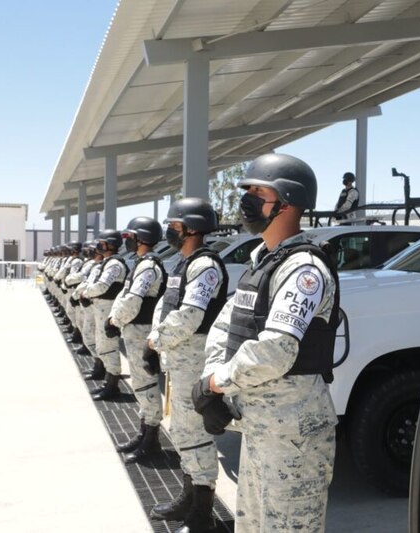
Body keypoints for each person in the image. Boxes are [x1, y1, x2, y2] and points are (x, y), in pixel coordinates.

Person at [199, 153, 339, 533]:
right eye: (246, 191)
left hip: (294, 438)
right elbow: (225, 326)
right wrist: (212, 378)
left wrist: (216, 384)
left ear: (287, 201)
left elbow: (276, 351)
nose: (246, 200)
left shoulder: (304, 269)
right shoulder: (262, 261)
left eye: (257, 191)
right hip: (261, 430)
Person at [146, 198, 228, 533]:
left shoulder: (205, 266)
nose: (169, 230)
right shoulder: (185, 262)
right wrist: (157, 340)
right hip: (178, 363)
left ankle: (202, 512)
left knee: (195, 435)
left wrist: (154, 341)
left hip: (193, 363)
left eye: (174, 225)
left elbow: (190, 316)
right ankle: (188, 497)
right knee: (181, 432)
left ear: (191, 227)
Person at [107, 216, 166, 463]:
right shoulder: (141, 263)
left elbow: (132, 300)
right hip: (134, 332)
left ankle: (151, 440)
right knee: (141, 387)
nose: (127, 242)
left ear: (141, 238)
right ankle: (144, 434)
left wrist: (114, 320)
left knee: (145, 386)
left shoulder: (149, 266)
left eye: (130, 237)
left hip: (141, 333)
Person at [82, 229, 128, 400]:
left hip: (108, 308)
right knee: (102, 347)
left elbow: (102, 286)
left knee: (109, 348)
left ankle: (112, 385)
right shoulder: (107, 263)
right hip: (100, 307)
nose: (99, 246)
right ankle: (108, 382)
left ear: (110, 244)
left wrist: (84, 293)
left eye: (102, 242)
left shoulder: (115, 264)